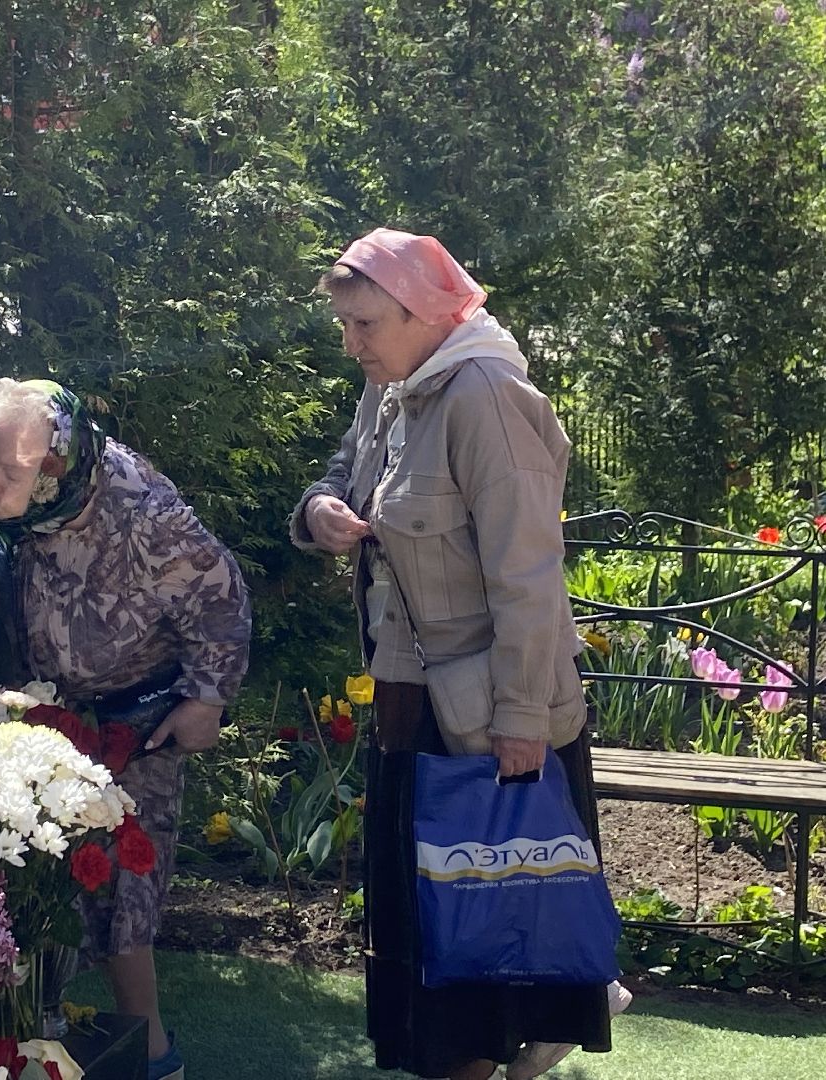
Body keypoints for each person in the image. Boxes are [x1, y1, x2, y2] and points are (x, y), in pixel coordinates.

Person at [290, 228, 612, 1080]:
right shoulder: (393, 385)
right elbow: (345, 472)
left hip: (486, 721)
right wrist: (320, 508)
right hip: (412, 700)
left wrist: (521, 721)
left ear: (426, 312)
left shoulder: (486, 396)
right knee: (437, 932)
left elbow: (528, 577)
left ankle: (526, 1030)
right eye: (344, 325)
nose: (351, 344)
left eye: (364, 324)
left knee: (479, 937)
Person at [0, 378, 251, 1080]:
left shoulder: (143, 511)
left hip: (129, 720)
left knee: (119, 888)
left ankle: (151, 1053)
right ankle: (14, 1043)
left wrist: (207, 700)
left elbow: (221, 600)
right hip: (17, 708)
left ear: (55, 471)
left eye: (10, 473)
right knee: (10, 874)